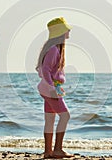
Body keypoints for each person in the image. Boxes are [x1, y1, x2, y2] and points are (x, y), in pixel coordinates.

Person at [36, 17, 74, 158]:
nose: (69, 31)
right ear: (60, 32)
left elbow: (47, 70)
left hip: (49, 88)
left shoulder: (56, 48)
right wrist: (52, 87)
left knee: (50, 119)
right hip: (49, 89)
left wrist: (54, 86)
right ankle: (57, 149)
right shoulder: (53, 49)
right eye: (66, 29)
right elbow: (45, 69)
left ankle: (48, 152)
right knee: (65, 116)